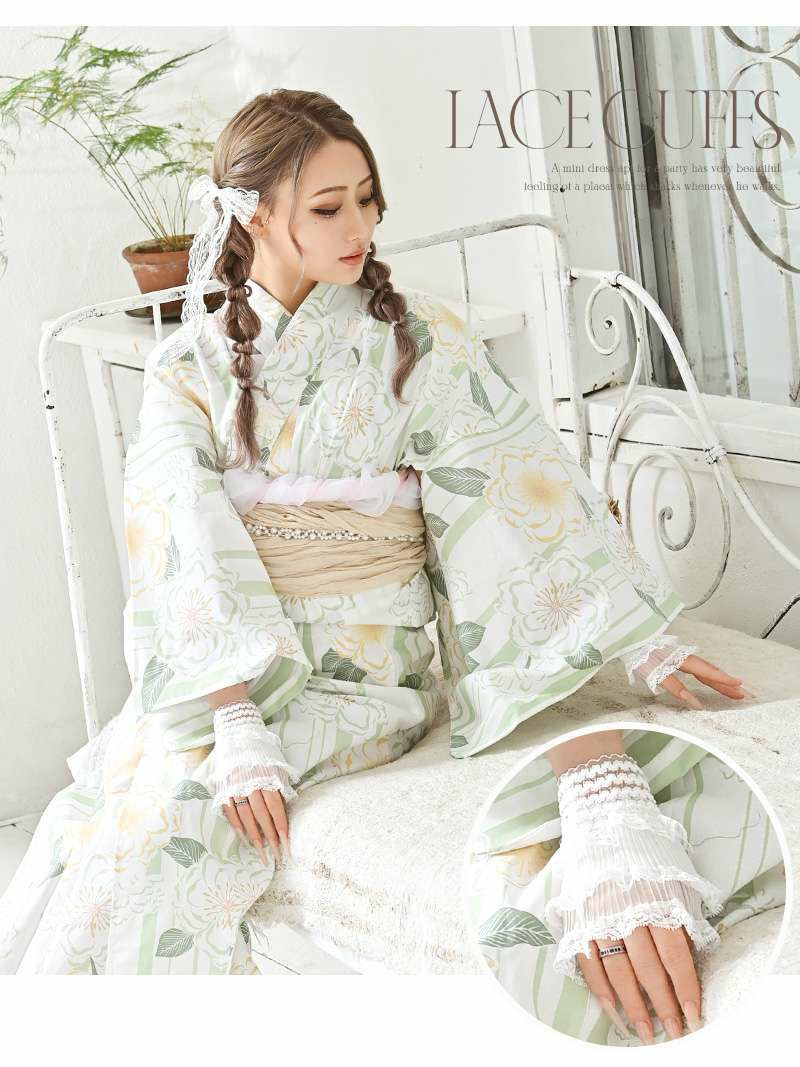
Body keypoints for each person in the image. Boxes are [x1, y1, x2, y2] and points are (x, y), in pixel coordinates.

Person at [0, 89, 747, 974]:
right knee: (91, 830)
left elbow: (507, 487)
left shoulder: (419, 341)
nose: (359, 225)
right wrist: (233, 715)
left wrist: (627, 636)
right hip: (234, 686)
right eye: (328, 207)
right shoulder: (185, 368)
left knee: (172, 830)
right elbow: (179, 540)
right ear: (253, 216)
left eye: (367, 198)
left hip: (369, 686)